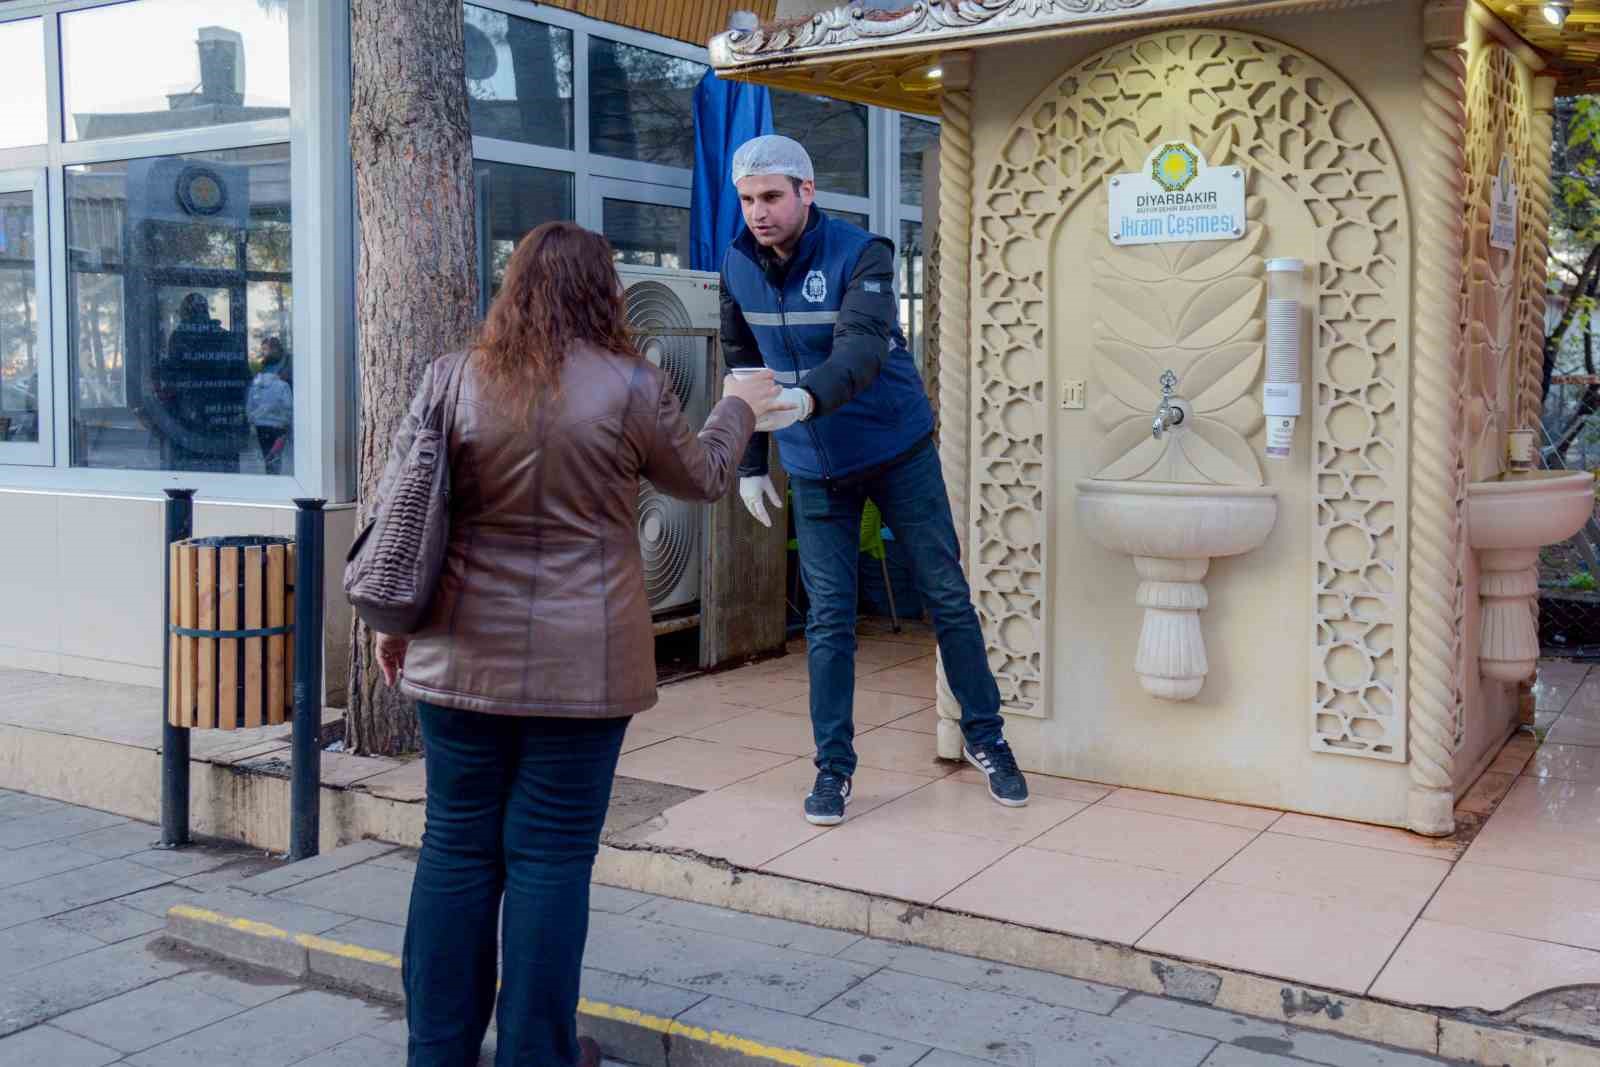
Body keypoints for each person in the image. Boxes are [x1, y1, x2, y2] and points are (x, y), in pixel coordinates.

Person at [368, 221, 785, 1067]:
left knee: (453, 849)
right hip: (585, 667)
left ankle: (435, 1053)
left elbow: (408, 506)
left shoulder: (453, 376)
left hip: (456, 655)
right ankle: (536, 1055)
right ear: (608, 294)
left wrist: (394, 622)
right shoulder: (630, 383)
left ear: (513, 285)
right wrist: (741, 406)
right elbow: (701, 479)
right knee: (551, 861)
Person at [720, 134, 1030, 825]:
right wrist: (747, 460)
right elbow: (741, 359)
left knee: (945, 594)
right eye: (747, 199)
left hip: (895, 446)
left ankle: (988, 738)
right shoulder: (737, 263)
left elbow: (861, 349)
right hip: (813, 464)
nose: (758, 213)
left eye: (771, 196)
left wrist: (804, 400)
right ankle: (833, 770)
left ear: (806, 192)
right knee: (830, 620)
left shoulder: (864, 255)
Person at [247, 336, 292, 474]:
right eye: (263, 350)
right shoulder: (277, 380)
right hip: (277, 422)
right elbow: (288, 406)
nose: (264, 352)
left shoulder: (287, 362)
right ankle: (273, 472)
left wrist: (253, 418)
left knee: (269, 451)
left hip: (267, 421)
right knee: (273, 453)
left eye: (266, 349)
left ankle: (271, 471)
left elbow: (251, 404)